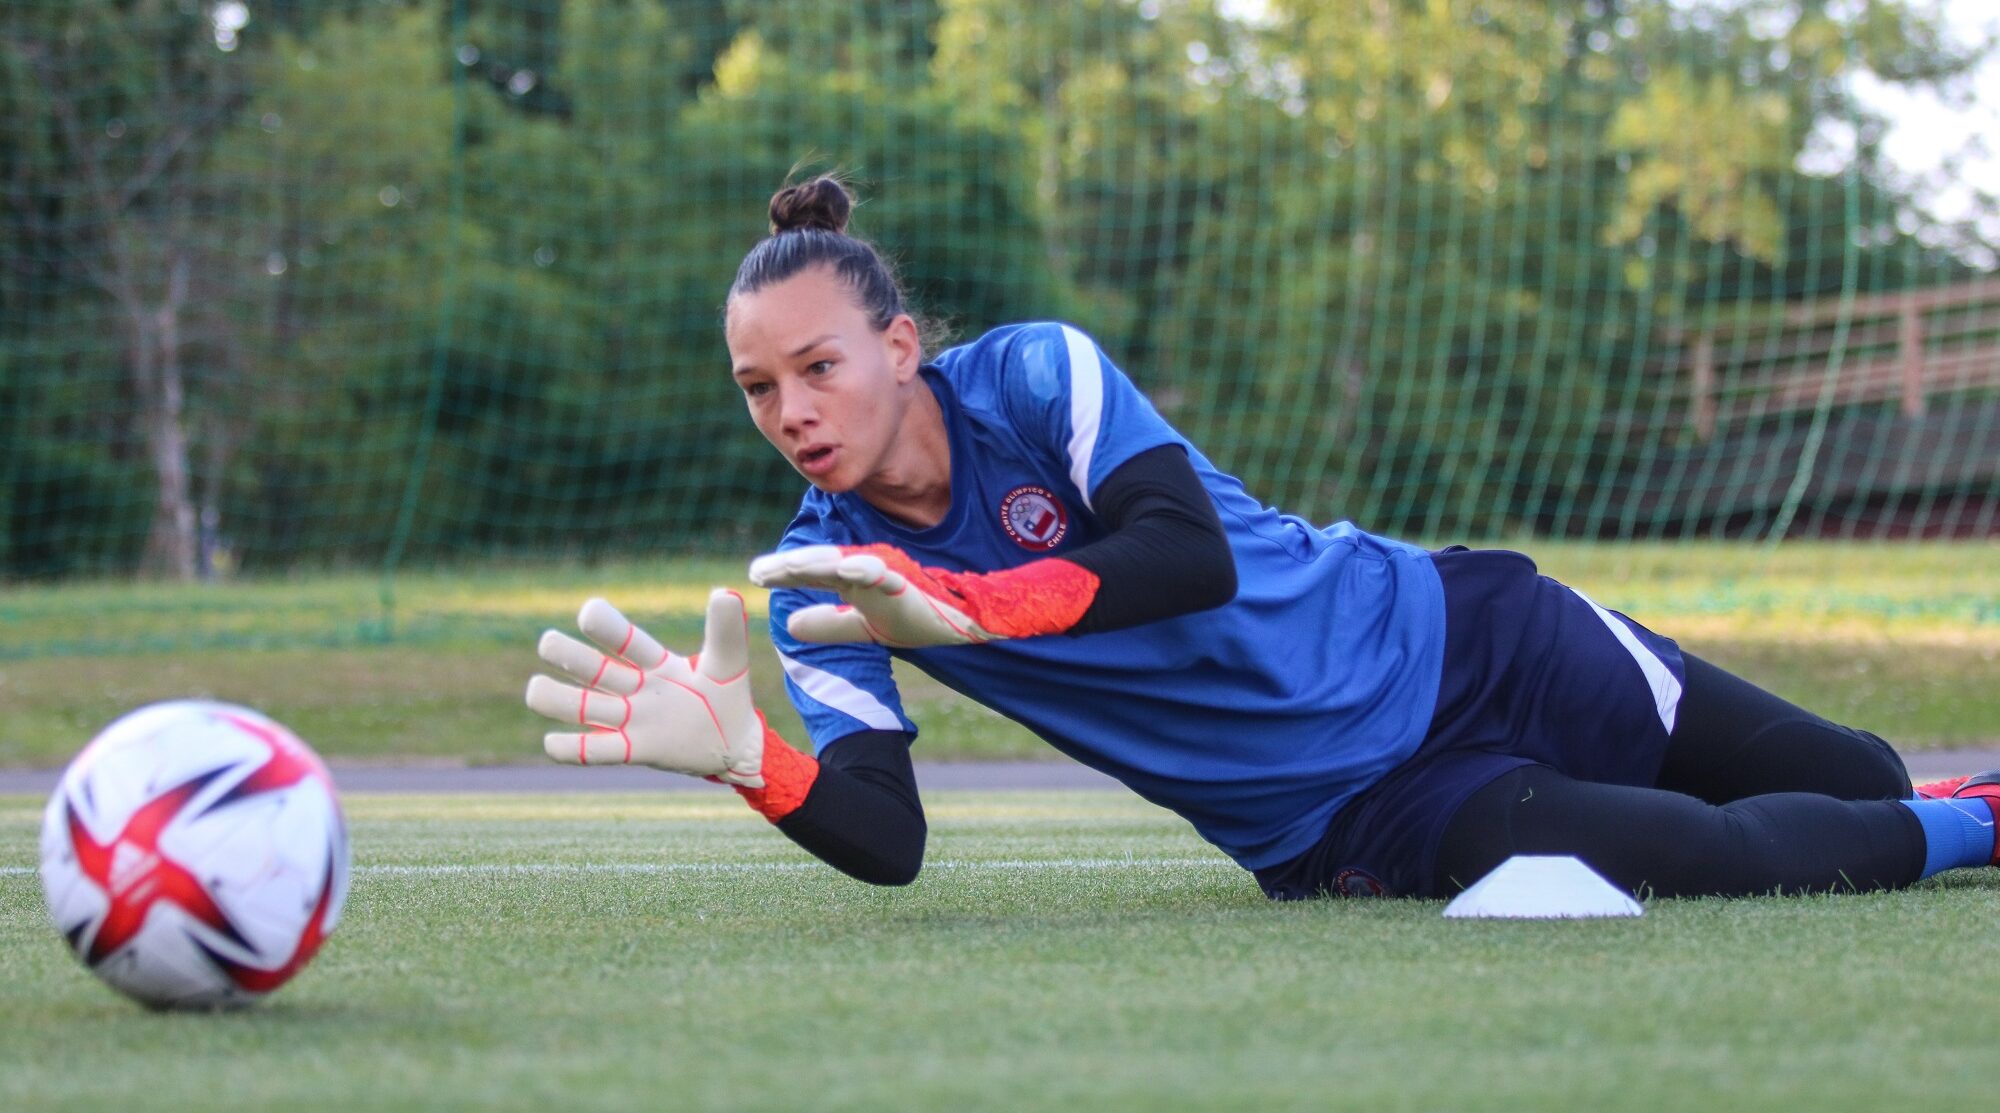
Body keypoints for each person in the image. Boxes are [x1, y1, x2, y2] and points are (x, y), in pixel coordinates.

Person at [524, 175, 1999, 901]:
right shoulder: (816, 587)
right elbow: (887, 835)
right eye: (758, 387)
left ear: (900, 343)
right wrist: (748, 759)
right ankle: (1986, 818)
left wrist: (972, 607)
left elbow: (1186, 552)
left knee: (1854, 779)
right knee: (1718, 858)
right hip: (1350, 816)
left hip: (1463, 632)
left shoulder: (1036, 372)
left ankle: (1943, 798)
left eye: (818, 366)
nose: (791, 409)